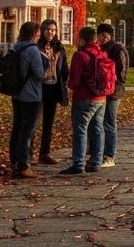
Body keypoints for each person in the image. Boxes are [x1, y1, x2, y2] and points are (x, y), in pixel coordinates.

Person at [60, 27, 111, 175]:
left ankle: (78, 163)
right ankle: (95, 161)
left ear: (82, 39)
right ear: (94, 39)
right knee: (98, 129)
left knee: (80, 130)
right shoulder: (101, 53)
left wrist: (70, 87)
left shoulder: (80, 55)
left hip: (84, 97)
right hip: (101, 97)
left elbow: (74, 80)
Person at [8, 21, 48, 179]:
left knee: (17, 128)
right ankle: (24, 165)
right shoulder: (32, 49)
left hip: (17, 92)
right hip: (31, 94)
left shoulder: (16, 47)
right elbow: (39, 72)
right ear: (34, 34)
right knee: (27, 131)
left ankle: (15, 161)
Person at [34, 19, 69, 166]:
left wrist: (65, 84)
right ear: (42, 31)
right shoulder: (36, 47)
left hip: (53, 88)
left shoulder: (58, 47)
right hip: (39, 87)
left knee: (48, 123)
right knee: (33, 122)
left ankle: (45, 153)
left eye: (53, 30)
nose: (51, 32)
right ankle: (27, 154)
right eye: (48, 29)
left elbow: (64, 68)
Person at [95, 23, 128, 167]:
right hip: (102, 90)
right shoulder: (100, 48)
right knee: (100, 123)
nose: (103, 38)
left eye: (106, 35)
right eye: (101, 35)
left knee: (109, 122)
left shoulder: (118, 49)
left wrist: (114, 84)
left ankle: (109, 156)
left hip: (114, 91)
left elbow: (122, 73)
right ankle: (99, 153)